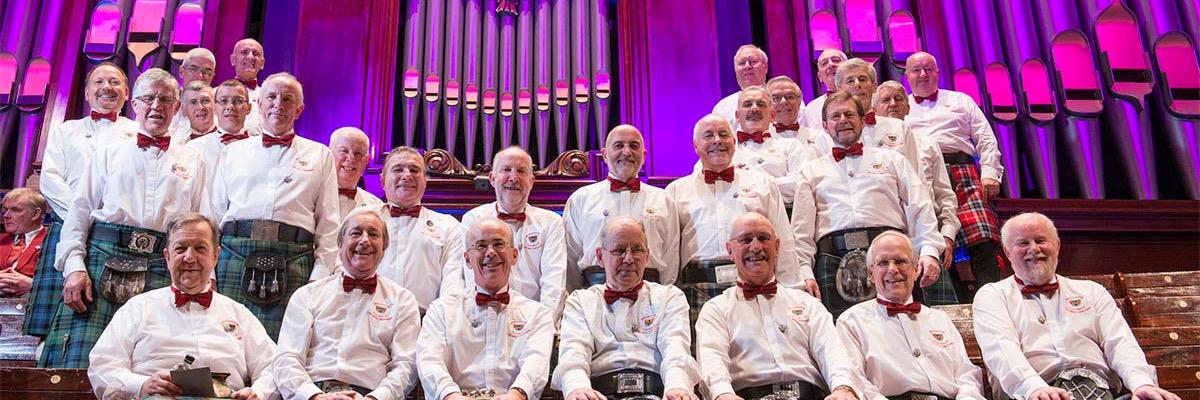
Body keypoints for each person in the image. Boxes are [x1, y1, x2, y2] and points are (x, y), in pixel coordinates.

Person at [44, 68, 208, 368]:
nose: (156, 106)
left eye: (165, 99)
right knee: (80, 363)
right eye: (148, 98)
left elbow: (199, 228)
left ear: (176, 107)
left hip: (162, 266)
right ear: (135, 105)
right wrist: (73, 267)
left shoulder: (194, 160)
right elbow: (79, 214)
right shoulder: (108, 152)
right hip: (100, 262)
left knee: (151, 364)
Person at [974, 213, 1181, 400]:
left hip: (1104, 393)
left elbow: (1120, 342)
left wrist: (1141, 383)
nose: (1034, 249)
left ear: (1057, 245)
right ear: (1008, 252)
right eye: (1023, 243)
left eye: (1040, 240)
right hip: (1032, 393)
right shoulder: (992, 296)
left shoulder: (1092, 291)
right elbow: (1001, 351)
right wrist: (1033, 389)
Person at [208, 72, 339, 339]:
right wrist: (209, 270)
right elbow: (213, 215)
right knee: (227, 339)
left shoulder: (320, 155)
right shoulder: (232, 152)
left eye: (288, 99)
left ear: (299, 109)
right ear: (259, 104)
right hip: (234, 254)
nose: (279, 103)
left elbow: (328, 224)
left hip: (295, 256)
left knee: (284, 343)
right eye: (272, 96)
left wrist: (320, 277)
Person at [791, 92, 946, 318]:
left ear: (863, 120)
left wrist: (930, 252)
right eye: (835, 116)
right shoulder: (810, 170)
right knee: (843, 339)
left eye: (849, 114)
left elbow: (920, 206)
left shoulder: (893, 160)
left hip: (891, 254)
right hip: (833, 261)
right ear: (824, 126)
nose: (842, 120)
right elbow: (801, 231)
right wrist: (804, 271)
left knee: (902, 326)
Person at [88, 213, 275, 400]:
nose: (190, 257)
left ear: (215, 256)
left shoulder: (240, 314)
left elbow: (273, 367)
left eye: (200, 248)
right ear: (167, 257)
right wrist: (141, 385)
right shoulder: (137, 309)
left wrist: (257, 392)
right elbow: (103, 365)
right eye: (181, 249)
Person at [666, 114, 813, 325]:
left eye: (723, 134)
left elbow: (784, 239)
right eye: (709, 136)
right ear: (696, 146)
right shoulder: (676, 191)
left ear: (734, 142)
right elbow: (671, 251)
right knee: (705, 355)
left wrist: (792, 289)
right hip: (698, 286)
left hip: (754, 279)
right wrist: (669, 294)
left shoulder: (763, 183)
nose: (717, 140)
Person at [695, 213, 860, 400]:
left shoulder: (808, 304)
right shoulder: (716, 309)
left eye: (763, 238)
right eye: (746, 240)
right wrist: (722, 393)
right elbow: (712, 358)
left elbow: (833, 351)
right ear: (730, 250)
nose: (756, 247)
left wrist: (843, 386)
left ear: (777, 246)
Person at [29, 62, 136, 338]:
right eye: (99, 82)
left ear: (126, 93)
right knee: (56, 321)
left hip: (114, 233)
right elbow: (50, 180)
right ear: (87, 93)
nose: (106, 88)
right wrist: (82, 215)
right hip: (67, 226)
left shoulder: (137, 133)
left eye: (114, 83)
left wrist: (105, 218)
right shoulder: (66, 130)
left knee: (110, 316)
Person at [273, 209, 420, 400]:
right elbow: (287, 358)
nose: (364, 240)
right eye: (356, 233)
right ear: (340, 244)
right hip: (313, 392)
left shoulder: (403, 300)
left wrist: (376, 398)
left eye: (373, 234)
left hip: (372, 394)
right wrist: (314, 396)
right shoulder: (307, 295)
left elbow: (406, 364)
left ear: (384, 248)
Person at [553, 217, 701, 400]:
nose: (629, 259)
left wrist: (678, 388)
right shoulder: (580, 301)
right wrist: (577, 389)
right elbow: (574, 355)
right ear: (600, 256)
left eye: (637, 249)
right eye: (619, 250)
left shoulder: (670, 296)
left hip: (658, 394)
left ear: (647, 256)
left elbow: (675, 349)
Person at [416, 218, 555, 400]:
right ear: (467, 258)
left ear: (514, 255)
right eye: (481, 246)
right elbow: (430, 360)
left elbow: (535, 363)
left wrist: (516, 394)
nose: (491, 252)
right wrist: (450, 395)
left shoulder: (537, 315)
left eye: (498, 244)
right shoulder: (441, 310)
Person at [905, 52, 1004, 302]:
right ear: (907, 76)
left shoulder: (961, 100)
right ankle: (954, 304)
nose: (923, 74)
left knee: (982, 238)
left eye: (929, 69)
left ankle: (992, 299)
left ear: (938, 72)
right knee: (935, 239)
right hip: (923, 175)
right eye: (916, 70)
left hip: (962, 170)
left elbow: (985, 137)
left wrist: (991, 173)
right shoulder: (902, 106)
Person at [836, 231, 984, 400]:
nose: (892, 269)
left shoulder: (940, 319)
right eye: (883, 263)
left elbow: (966, 375)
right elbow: (857, 381)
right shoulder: (852, 321)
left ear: (915, 270)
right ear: (871, 274)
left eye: (900, 261)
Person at [563, 125, 680, 290]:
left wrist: (663, 297)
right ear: (604, 154)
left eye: (634, 146)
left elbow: (671, 256)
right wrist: (580, 297)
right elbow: (570, 258)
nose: (626, 152)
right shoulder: (580, 199)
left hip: (652, 291)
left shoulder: (664, 199)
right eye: (619, 146)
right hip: (595, 290)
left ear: (644, 155)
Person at [873, 80, 961, 280]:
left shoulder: (928, 143)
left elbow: (944, 194)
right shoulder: (869, 147)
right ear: (875, 108)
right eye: (886, 100)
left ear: (908, 106)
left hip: (927, 231)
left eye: (899, 98)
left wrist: (947, 233)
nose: (893, 103)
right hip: (889, 228)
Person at [460, 147, 565, 313]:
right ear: (493, 179)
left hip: (536, 317)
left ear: (531, 181)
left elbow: (554, 282)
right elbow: (471, 277)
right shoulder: (473, 220)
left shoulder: (551, 223)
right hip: (484, 315)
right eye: (506, 170)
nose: (514, 178)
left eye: (521, 171)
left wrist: (542, 325)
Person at [363, 146, 465, 311]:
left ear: (425, 180)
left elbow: (453, 282)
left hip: (425, 321)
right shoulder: (361, 220)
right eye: (398, 169)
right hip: (366, 316)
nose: (407, 175)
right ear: (382, 180)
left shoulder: (449, 226)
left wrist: (442, 321)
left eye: (414, 170)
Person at [721, 86, 815, 202]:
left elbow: (801, 184)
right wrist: (776, 182)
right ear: (737, 116)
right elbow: (709, 183)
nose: (754, 108)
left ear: (772, 116)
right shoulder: (722, 149)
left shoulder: (791, 146)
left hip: (780, 214)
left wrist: (751, 180)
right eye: (747, 104)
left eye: (761, 104)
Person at [187, 79, 255, 185]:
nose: (230, 106)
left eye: (238, 100)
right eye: (223, 101)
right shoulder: (194, 149)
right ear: (214, 107)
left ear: (249, 108)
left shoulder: (260, 148)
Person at [712, 45, 781, 128]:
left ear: (765, 67)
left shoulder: (786, 100)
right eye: (742, 63)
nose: (747, 66)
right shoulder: (722, 108)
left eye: (753, 61)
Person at [0, 188, 47, 297]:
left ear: (35, 214)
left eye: (15, 210)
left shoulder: (52, 243)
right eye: (5, 210)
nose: (6, 215)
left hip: (34, 301)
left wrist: (33, 285)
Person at [329, 127, 383, 220]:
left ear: (366, 160)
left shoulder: (375, 207)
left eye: (358, 153)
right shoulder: (311, 195)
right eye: (344, 151)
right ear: (329, 153)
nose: (350, 158)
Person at [171, 47, 218, 135]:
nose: (200, 76)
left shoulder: (219, 108)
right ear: (181, 71)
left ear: (212, 76)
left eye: (206, 72)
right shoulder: (165, 102)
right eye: (193, 69)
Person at [803, 49, 847, 130]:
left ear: (848, 67)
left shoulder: (865, 97)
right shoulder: (812, 109)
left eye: (836, 60)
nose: (830, 64)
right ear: (820, 77)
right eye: (824, 63)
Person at [766, 76, 818, 144]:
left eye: (790, 97)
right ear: (767, 104)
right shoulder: (762, 139)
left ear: (799, 102)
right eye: (776, 98)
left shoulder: (817, 136)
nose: (783, 102)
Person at [231, 39, 266, 131]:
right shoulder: (215, 94)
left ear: (262, 63)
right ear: (233, 60)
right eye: (244, 52)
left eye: (255, 53)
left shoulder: (269, 97)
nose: (251, 57)